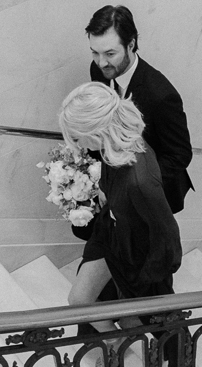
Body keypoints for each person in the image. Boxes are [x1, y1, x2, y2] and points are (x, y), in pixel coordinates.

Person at [59, 82, 182, 341]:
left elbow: (167, 235)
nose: (78, 145)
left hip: (134, 254)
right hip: (111, 233)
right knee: (80, 300)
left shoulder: (139, 183)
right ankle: (117, 341)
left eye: (78, 137)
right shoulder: (115, 144)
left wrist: (144, 277)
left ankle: (126, 342)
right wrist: (106, 192)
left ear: (96, 130)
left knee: (131, 315)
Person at [86, 6, 194, 214]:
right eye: (94, 52)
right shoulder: (99, 70)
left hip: (153, 193)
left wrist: (128, 187)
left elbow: (179, 155)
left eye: (110, 53)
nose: (101, 62)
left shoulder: (161, 95)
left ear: (131, 44)